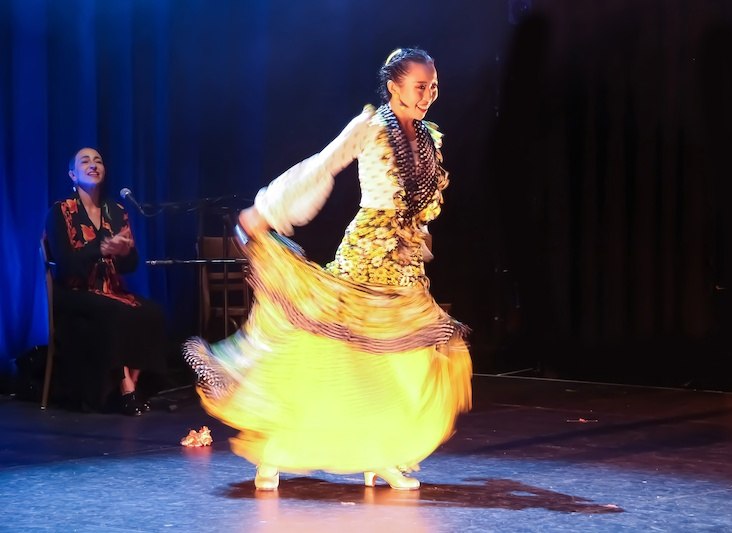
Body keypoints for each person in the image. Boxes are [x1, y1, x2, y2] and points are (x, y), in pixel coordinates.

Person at [184, 47, 472, 490]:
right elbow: (322, 165)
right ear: (393, 87)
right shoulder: (370, 127)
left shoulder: (428, 138)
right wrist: (266, 210)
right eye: (420, 86)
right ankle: (276, 448)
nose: (428, 95)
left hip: (405, 263)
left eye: (434, 86)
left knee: (408, 360)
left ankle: (381, 454)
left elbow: (422, 204)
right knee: (334, 355)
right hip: (368, 254)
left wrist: (419, 238)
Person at [44, 147, 167, 416]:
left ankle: (134, 384)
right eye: (85, 161)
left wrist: (124, 253)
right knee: (117, 312)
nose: (93, 165)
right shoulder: (60, 211)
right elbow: (65, 264)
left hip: (109, 290)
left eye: (98, 161)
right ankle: (125, 390)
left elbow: (130, 265)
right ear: (72, 175)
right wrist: (99, 249)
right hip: (73, 291)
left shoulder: (116, 211)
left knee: (152, 312)